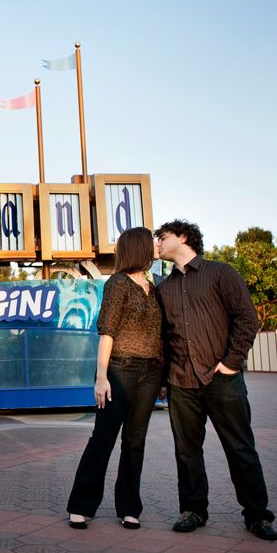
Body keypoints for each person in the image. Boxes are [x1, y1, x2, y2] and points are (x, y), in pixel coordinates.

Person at [155, 219, 277, 541]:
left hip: (222, 379)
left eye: (161, 237)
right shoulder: (163, 289)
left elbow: (246, 318)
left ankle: (257, 515)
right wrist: (166, 382)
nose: (157, 242)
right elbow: (165, 340)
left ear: (182, 237)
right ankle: (193, 510)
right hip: (182, 383)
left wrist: (231, 364)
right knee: (187, 451)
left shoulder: (221, 273)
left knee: (240, 448)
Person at [67, 227, 163, 530]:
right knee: (103, 439)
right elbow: (107, 330)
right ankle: (81, 506)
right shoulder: (118, 283)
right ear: (139, 247)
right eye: (153, 241)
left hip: (150, 373)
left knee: (135, 441)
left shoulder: (154, 286)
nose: (158, 245)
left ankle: (129, 508)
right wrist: (101, 376)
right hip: (120, 370)